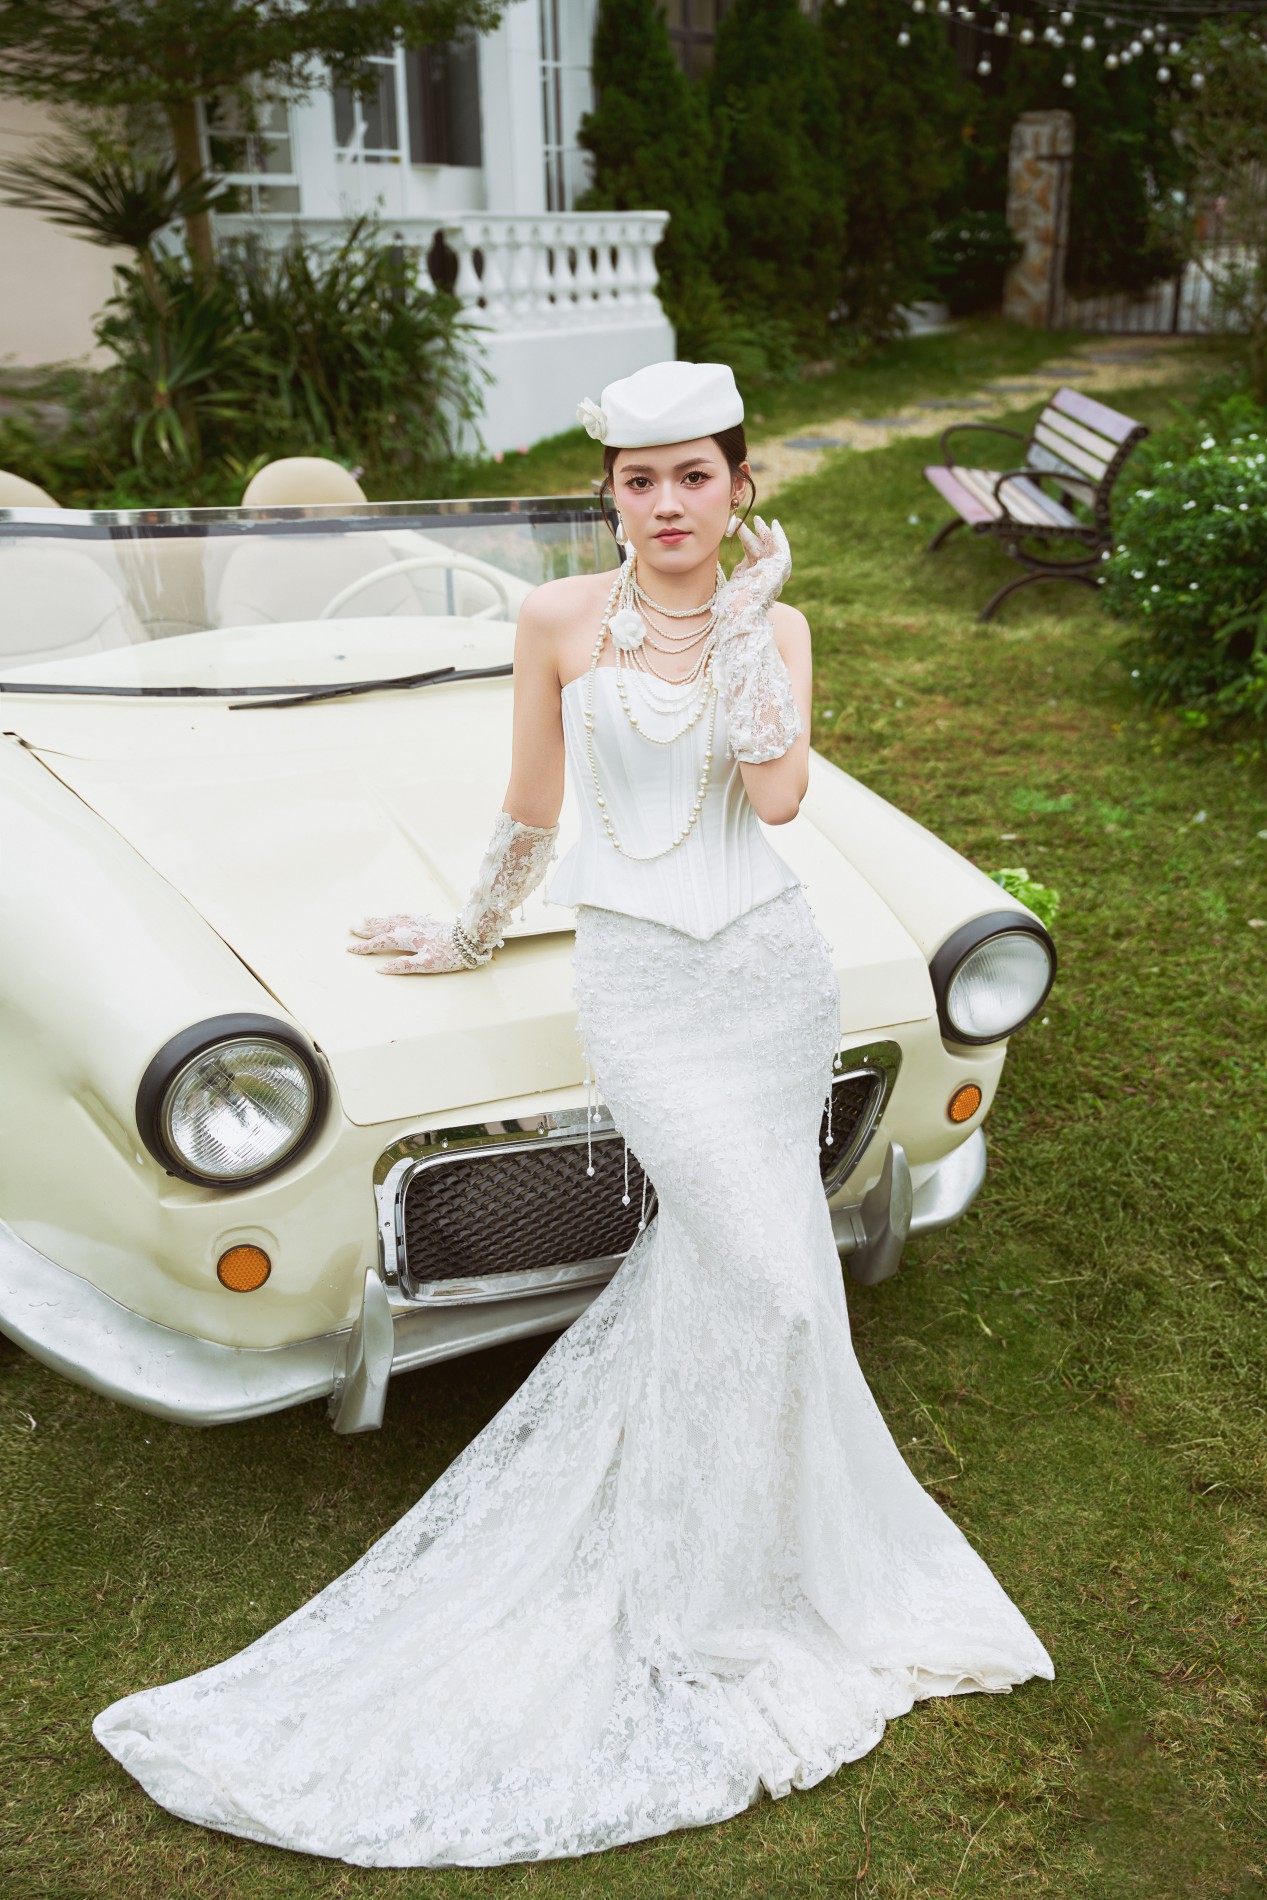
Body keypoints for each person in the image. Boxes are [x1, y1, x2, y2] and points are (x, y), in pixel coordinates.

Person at [92, 360, 1053, 1868]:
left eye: (695, 477)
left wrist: (742, 628)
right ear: (609, 495)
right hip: (647, 996)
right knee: (765, 1272)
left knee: (765, 1278)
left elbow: (779, 799)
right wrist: (466, 932)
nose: (667, 505)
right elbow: (533, 805)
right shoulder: (551, 621)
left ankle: (758, 1550)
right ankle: (711, 1568)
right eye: (639, 480)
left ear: (740, 488)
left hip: (767, 977)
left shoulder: (777, 626)